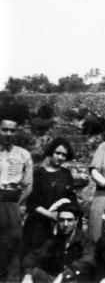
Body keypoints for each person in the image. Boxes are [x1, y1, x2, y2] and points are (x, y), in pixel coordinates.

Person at [23, 137, 78, 255]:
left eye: (64, 155)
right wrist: (49, 214)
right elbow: (31, 202)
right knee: (34, 257)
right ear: (51, 152)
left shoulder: (66, 174)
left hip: (59, 224)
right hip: (38, 223)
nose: (60, 157)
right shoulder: (38, 172)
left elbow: (71, 198)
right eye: (57, 153)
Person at [22, 203, 95, 283]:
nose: (65, 224)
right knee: (36, 272)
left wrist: (63, 275)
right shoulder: (56, 240)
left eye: (69, 220)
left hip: (77, 279)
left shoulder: (85, 240)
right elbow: (33, 256)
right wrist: (28, 275)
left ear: (76, 221)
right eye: (62, 220)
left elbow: (88, 261)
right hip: (59, 280)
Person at [0, 115, 33, 282]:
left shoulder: (23, 154)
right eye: (4, 129)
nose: (8, 133)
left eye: (12, 130)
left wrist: (17, 204)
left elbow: (28, 185)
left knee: (13, 245)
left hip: (12, 203)